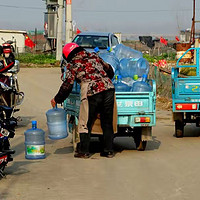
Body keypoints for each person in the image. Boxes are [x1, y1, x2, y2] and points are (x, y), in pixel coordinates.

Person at [51, 43, 115, 159]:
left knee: (85, 121)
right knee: (107, 121)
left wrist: (57, 99)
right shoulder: (94, 56)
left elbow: (67, 85)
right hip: (109, 88)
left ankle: (84, 151)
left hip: (92, 90)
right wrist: (104, 79)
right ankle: (108, 150)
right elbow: (109, 69)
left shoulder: (73, 64)